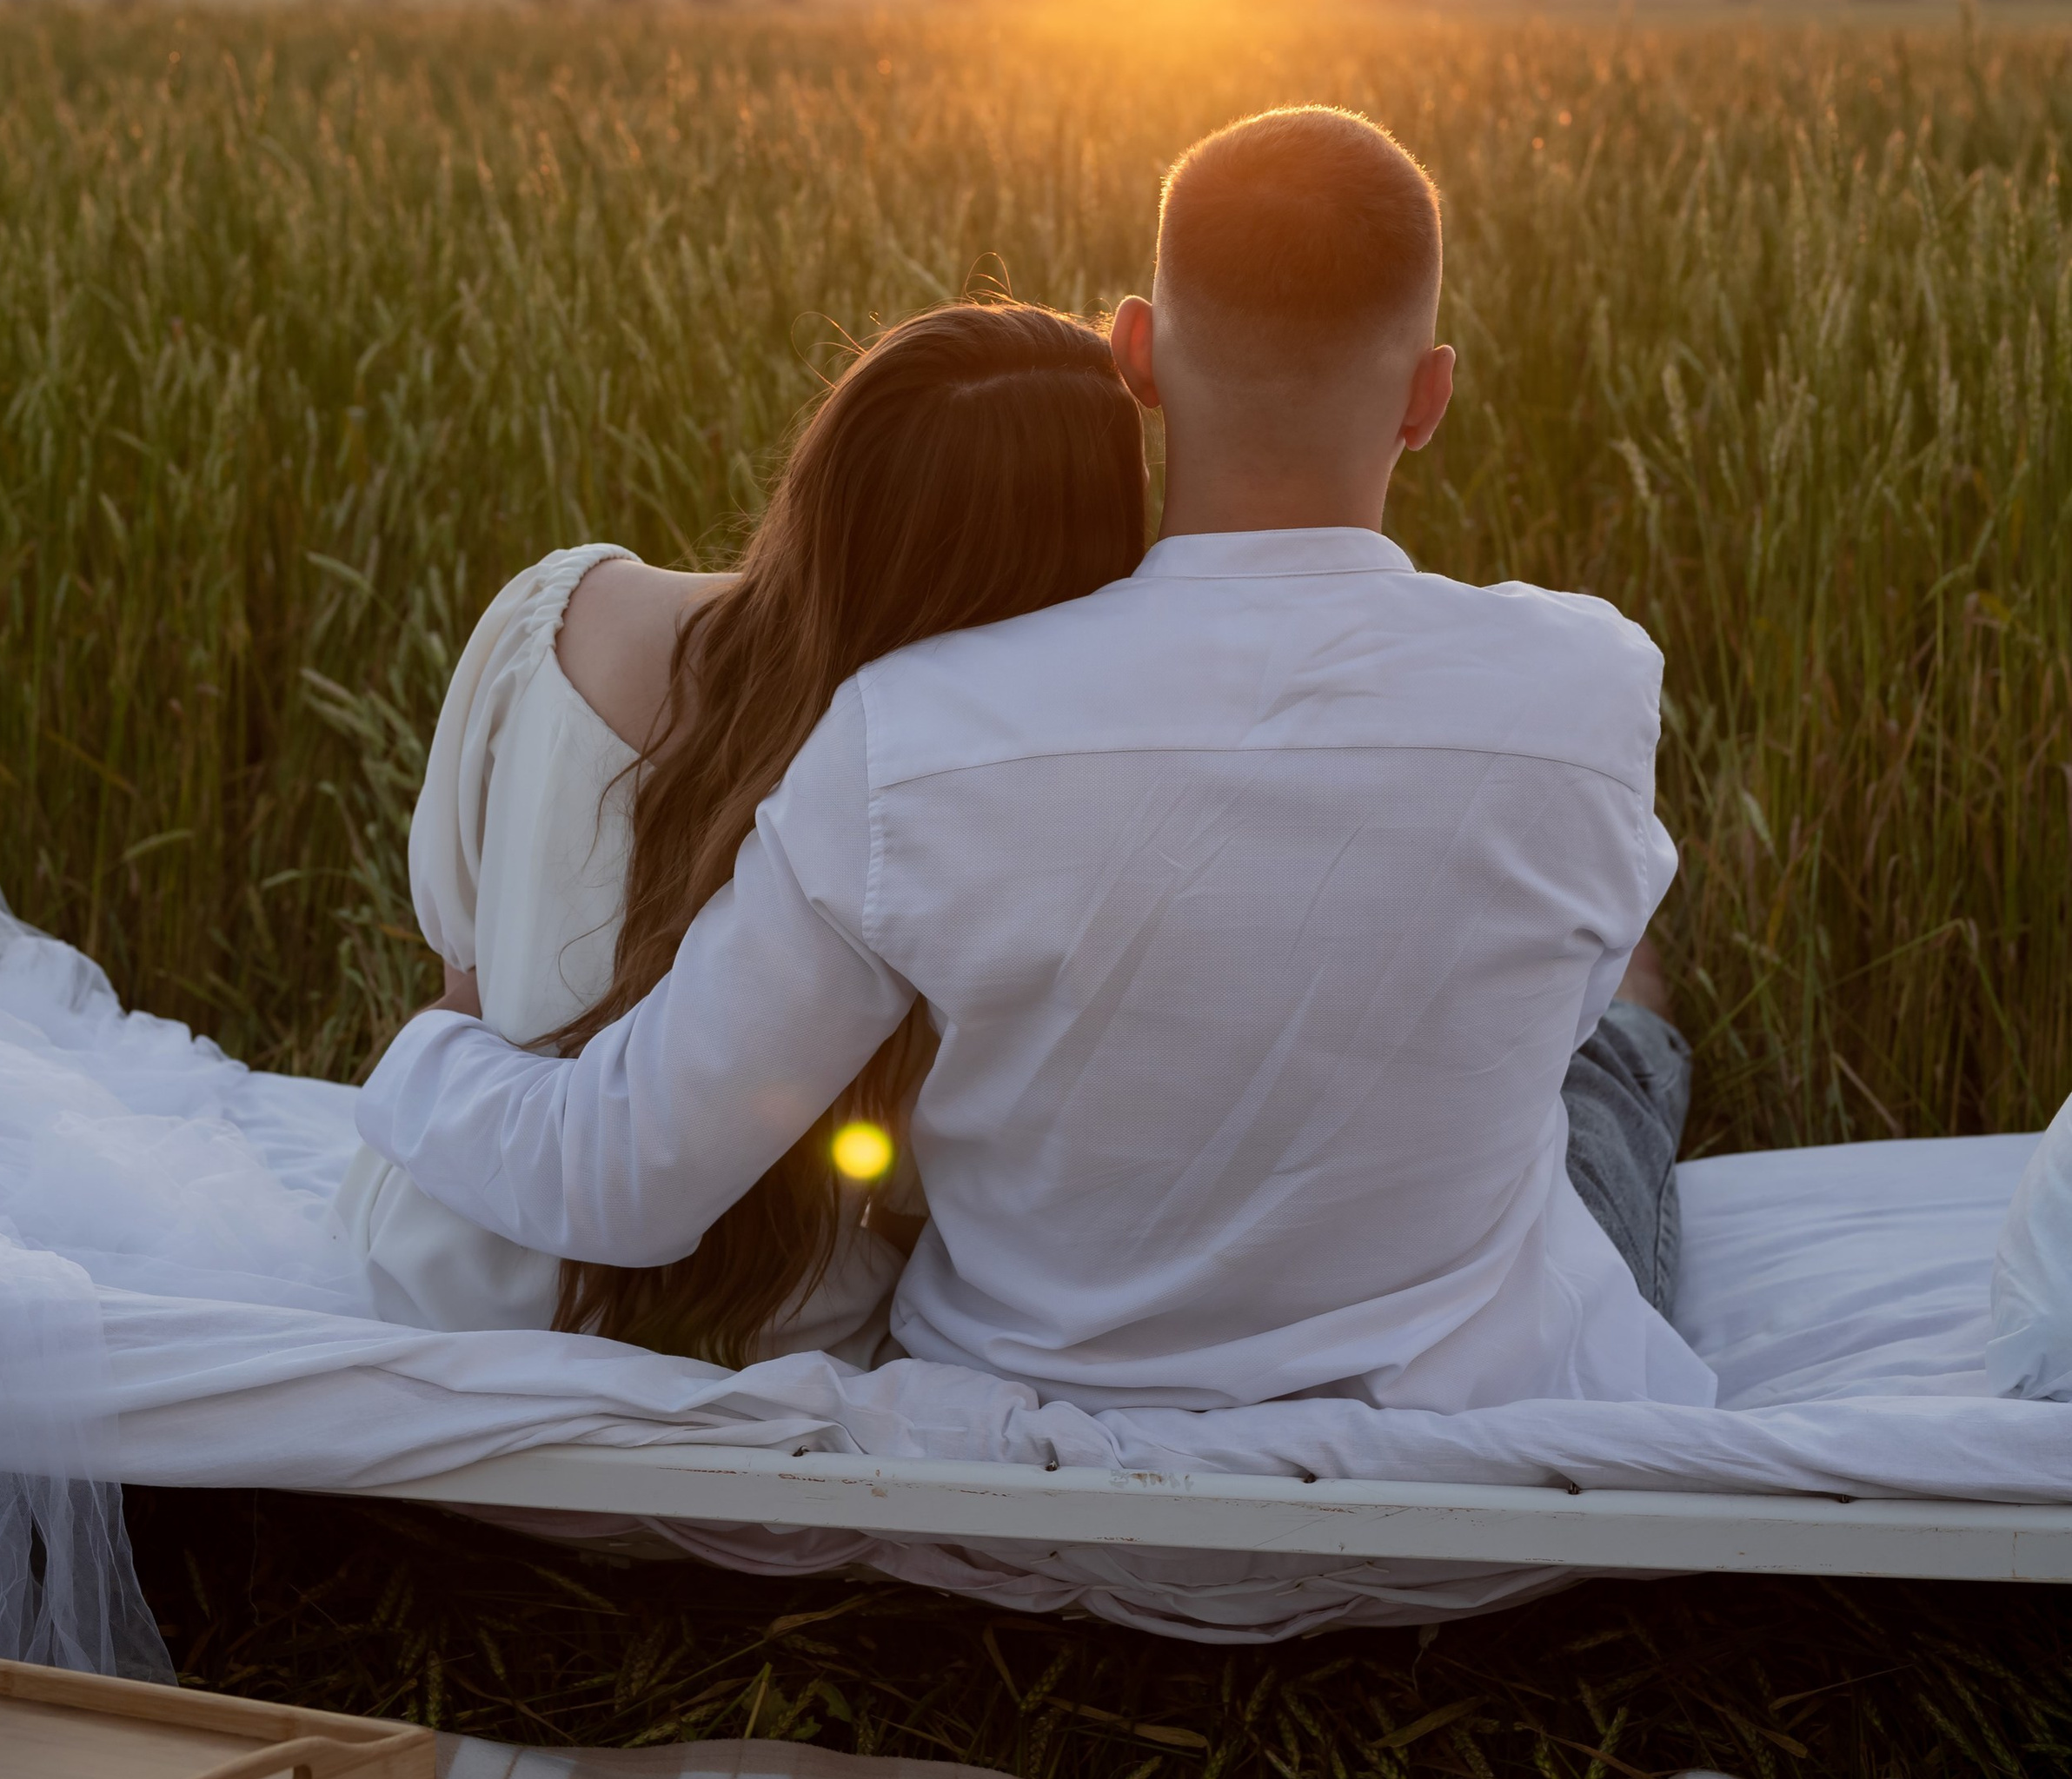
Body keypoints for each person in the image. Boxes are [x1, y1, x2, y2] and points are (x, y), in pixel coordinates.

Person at [356, 107, 1713, 1411]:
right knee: (1601, 1055)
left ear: (1134, 351)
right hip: (1467, 1462)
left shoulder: (910, 730)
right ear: (1429, 398)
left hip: (1038, 1480)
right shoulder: (1590, 683)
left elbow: (626, 1176)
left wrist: (419, 1054)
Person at [333, 298, 1150, 1357]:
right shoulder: (962, 794)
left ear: (825, 478)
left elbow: (464, 990)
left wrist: (412, 1070)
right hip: (766, 1343)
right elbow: (921, 1184)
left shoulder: (563, 619)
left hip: (448, 1271)